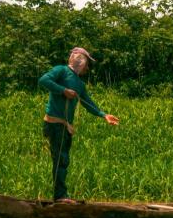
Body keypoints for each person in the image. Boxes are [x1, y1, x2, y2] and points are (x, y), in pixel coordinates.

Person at [38, 47, 119, 203]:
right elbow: (43, 80)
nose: (87, 68)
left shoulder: (79, 84)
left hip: (65, 127)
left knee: (63, 160)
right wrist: (63, 91)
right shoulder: (60, 71)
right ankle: (60, 196)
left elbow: (88, 103)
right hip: (55, 124)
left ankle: (61, 195)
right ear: (80, 62)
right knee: (60, 159)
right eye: (87, 63)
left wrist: (104, 115)